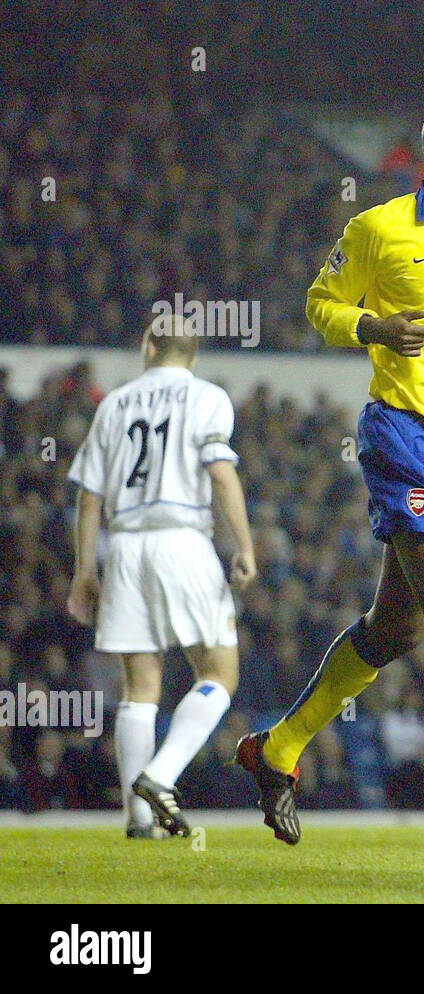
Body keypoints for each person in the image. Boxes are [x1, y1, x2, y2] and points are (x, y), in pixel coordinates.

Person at [233, 105, 424, 872]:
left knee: (395, 631)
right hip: (405, 435)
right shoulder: (381, 229)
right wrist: (374, 329)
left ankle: (276, 749)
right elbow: (318, 306)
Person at [66, 316, 257, 838]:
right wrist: (243, 544)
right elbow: (221, 471)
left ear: (148, 345)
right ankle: (160, 775)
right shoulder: (208, 397)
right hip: (182, 541)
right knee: (219, 672)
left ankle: (137, 818)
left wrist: (85, 570)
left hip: (125, 546)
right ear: (191, 354)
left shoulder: (113, 404)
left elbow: (89, 497)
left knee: (140, 686)